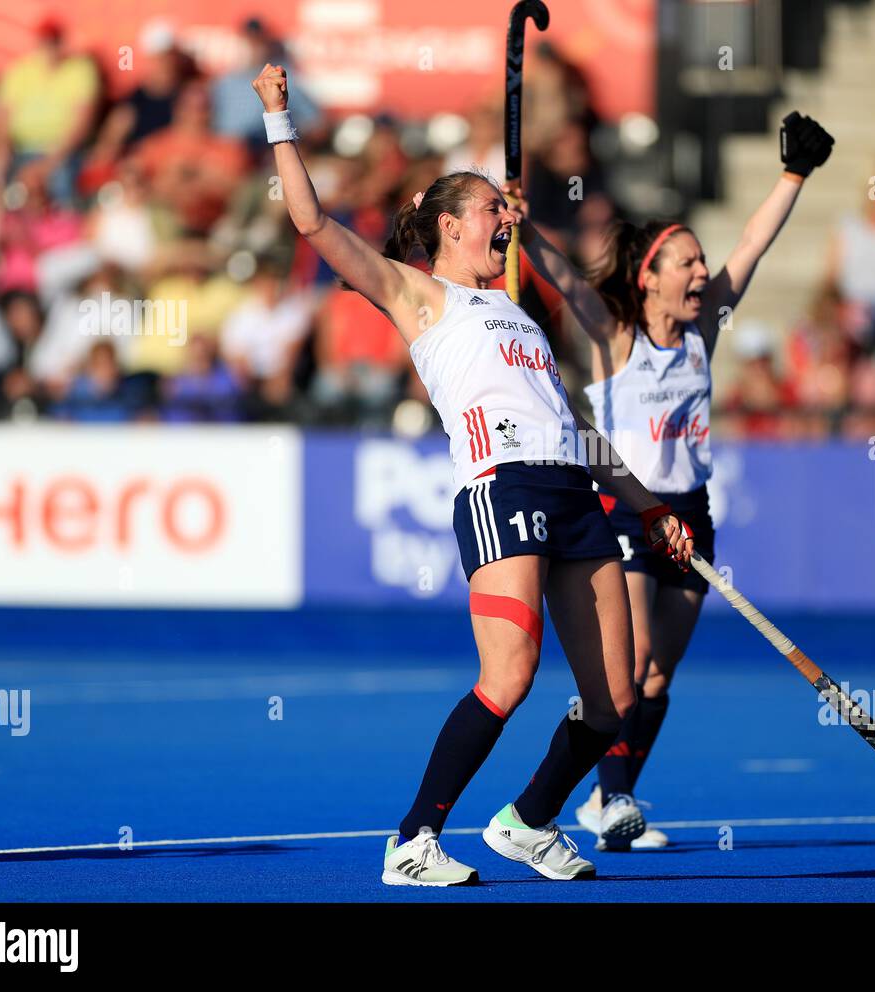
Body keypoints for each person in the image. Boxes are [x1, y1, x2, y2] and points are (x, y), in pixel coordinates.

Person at [253, 64, 695, 885]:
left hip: (573, 491)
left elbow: (577, 428)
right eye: (492, 209)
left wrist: (649, 505)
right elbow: (312, 222)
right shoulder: (419, 296)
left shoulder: (517, 313)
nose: (506, 220)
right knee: (510, 676)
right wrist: (280, 117)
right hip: (504, 489)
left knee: (614, 703)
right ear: (450, 227)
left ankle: (528, 821)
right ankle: (413, 840)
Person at [513, 110, 834, 848]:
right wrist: (527, 233)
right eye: (685, 262)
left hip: (693, 513)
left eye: (700, 262)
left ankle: (606, 801)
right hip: (628, 512)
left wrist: (794, 175)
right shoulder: (614, 333)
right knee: (629, 663)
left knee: (659, 677)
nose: (701, 272)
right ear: (646, 276)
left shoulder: (705, 326)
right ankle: (613, 796)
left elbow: (754, 242)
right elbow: (564, 279)